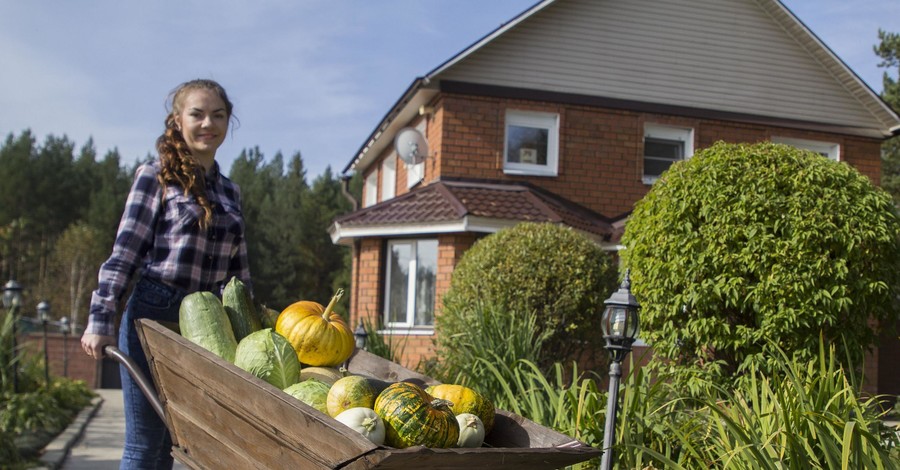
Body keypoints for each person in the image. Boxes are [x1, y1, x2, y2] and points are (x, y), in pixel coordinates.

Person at [81, 78, 251, 470]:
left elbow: (239, 273)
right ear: (177, 120)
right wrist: (101, 319)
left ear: (229, 123)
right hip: (152, 314)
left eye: (218, 115)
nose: (208, 123)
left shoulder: (230, 192)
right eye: (197, 114)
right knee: (145, 445)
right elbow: (124, 253)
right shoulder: (155, 176)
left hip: (207, 329)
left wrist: (249, 328)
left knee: (175, 444)